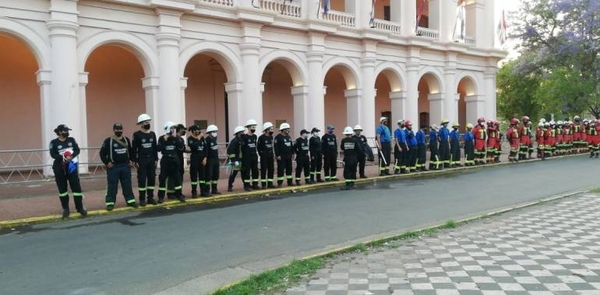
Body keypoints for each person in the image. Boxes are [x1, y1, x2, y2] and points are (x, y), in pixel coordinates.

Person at [49, 124, 87, 218]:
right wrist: (63, 157)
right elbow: (53, 154)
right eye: (65, 131)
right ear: (59, 132)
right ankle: (65, 209)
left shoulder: (71, 140)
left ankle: (80, 208)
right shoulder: (53, 142)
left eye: (67, 131)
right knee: (63, 190)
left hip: (71, 165)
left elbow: (77, 150)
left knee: (76, 187)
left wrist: (71, 156)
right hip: (59, 167)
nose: (67, 132)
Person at [100, 123, 138, 210]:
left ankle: (130, 200)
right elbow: (102, 153)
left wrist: (132, 160)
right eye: (117, 129)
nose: (119, 131)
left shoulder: (126, 140)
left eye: (120, 129)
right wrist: (107, 162)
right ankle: (110, 203)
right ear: (113, 130)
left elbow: (131, 151)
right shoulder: (108, 141)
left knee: (127, 184)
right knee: (112, 186)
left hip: (125, 166)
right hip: (113, 167)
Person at [132, 114, 158, 206]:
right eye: (146, 122)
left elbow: (155, 147)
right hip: (142, 160)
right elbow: (134, 149)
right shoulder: (137, 135)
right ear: (141, 124)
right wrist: (135, 161)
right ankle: (142, 199)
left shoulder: (152, 134)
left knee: (151, 179)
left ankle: (150, 197)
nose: (148, 124)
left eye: (148, 122)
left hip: (151, 160)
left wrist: (156, 159)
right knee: (142, 179)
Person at [156, 121, 186, 203]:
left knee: (177, 178)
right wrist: (165, 140)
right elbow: (158, 148)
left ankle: (179, 195)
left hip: (174, 159)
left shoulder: (176, 138)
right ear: (168, 129)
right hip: (165, 160)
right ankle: (161, 197)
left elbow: (180, 147)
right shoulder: (162, 138)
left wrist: (176, 138)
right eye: (172, 128)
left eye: (174, 128)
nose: (174, 130)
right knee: (162, 178)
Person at [187, 125, 207, 198]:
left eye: (198, 130)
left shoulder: (202, 138)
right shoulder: (190, 139)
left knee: (202, 176)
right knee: (194, 176)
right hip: (195, 159)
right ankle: (194, 192)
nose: (198, 132)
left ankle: (203, 191)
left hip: (202, 159)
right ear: (192, 131)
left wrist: (205, 158)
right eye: (196, 130)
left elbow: (205, 148)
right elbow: (194, 147)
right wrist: (198, 138)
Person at [241, 119, 260, 190]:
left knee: (255, 170)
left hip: (254, 155)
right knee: (247, 171)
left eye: (254, 127)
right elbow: (243, 148)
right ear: (248, 127)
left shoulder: (255, 136)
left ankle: (255, 184)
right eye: (252, 127)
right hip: (247, 156)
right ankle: (247, 185)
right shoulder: (244, 137)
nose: (254, 129)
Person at [275, 122, 294, 187]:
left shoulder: (288, 137)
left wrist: (292, 153)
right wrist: (277, 155)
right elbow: (276, 147)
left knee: (289, 169)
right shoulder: (278, 137)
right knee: (281, 169)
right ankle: (280, 183)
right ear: (283, 130)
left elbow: (291, 145)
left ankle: (290, 182)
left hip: (288, 156)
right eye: (287, 129)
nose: (288, 130)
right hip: (281, 156)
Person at [204, 124, 221, 196]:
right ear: (209, 132)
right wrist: (205, 159)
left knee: (216, 175)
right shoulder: (206, 140)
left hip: (216, 159)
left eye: (216, 131)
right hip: (209, 160)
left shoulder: (214, 139)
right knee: (208, 175)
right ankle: (207, 190)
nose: (215, 133)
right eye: (214, 131)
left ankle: (214, 189)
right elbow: (206, 151)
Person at [258, 122, 276, 189]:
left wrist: (273, 154)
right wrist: (262, 154)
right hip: (264, 156)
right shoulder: (261, 138)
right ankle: (263, 184)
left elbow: (272, 146)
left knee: (271, 169)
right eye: (271, 129)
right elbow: (258, 147)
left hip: (270, 155)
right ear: (267, 130)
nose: (272, 130)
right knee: (263, 169)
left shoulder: (271, 137)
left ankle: (270, 183)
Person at [227, 126, 245, 191]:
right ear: (238, 133)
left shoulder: (242, 140)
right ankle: (230, 186)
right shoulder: (234, 141)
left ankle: (246, 185)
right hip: (236, 161)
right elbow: (230, 151)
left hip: (242, 160)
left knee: (244, 173)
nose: (243, 133)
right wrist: (233, 160)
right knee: (233, 174)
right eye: (242, 132)